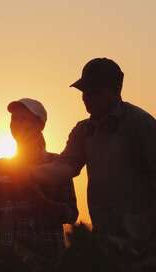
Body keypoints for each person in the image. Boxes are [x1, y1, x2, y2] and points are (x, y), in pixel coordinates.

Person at [30, 58, 156, 240]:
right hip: (105, 236)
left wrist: (142, 225)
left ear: (115, 90)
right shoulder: (84, 131)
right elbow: (64, 167)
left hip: (144, 240)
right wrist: (24, 173)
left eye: (94, 91)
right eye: (84, 91)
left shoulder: (140, 124)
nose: (86, 97)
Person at [0, 98, 78, 259]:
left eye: (23, 119)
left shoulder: (57, 164)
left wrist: (42, 203)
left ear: (39, 125)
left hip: (47, 257)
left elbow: (71, 214)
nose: (16, 124)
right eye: (14, 119)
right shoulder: (1, 167)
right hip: (8, 258)